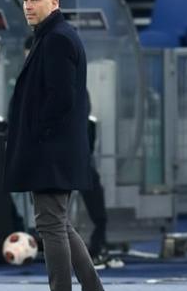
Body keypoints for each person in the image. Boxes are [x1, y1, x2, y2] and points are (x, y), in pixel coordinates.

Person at [4, 0, 110, 291]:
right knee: (58, 224)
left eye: (35, 0)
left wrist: (35, 134)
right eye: (25, 0)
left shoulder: (57, 39)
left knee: (51, 225)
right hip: (55, 148)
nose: (28, 6)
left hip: (51, 150)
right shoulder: (54, 36)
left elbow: (61, 98)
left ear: (55, 3)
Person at [23, 35, 119, 270]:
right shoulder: (27, 86)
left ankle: (95, 245)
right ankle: (78, 273)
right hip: (41, 157)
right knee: (54, 217)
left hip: (66, 153)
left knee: (65, 209)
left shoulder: (67, 82)